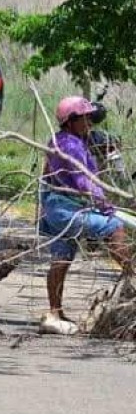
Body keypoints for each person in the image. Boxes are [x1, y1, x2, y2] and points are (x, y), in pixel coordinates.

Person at [38, 96, 133, 335]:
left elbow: (47, 175)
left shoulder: (58, 140)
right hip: (67, 209)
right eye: (84, 118)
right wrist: (103, 203)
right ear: (70, 121)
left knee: (61, 257)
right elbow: (84, 181)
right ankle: (132, 273)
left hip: (55, 208)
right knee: (114, 227)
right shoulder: (70, 145)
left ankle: (54, 312)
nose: (89, 123)